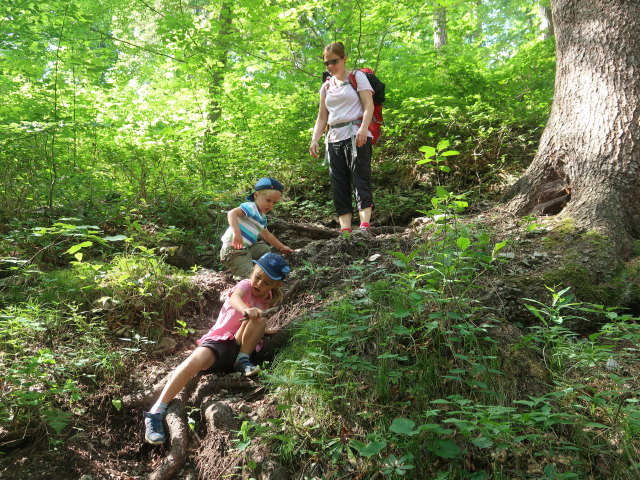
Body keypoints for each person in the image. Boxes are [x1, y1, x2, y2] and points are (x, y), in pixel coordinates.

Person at [143, 252, 291, 445]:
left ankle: (243, 360)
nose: (259, 284)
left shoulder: (271, 299)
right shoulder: (245, 286)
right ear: (252, 271)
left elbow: (254, 323)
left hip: (239, 348)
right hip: (219, 342)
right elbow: (235, 299)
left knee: (260, 318)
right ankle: (156, 412)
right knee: (191, 364)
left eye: (267, 283)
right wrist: (246, 310)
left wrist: (263, 328)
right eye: (257, 277)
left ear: (276, 285)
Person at [309, 42, 375, 236]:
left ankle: (364, 227)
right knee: (339, 183)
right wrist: (315, 139)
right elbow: (322, 117)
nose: (330, 66)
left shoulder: (358, 77)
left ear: (344, 58)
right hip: (334, 138)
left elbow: (368, 105)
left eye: (334, 61)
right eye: (327, 63)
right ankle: (345, 229)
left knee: (360, 178)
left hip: (356, 134)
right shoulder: (326, 85)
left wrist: (363, 129)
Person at [220, 177, 293, 279]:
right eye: (268, 200)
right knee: (248, 277)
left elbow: (267, 235)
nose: (271, 205)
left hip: (247, 249)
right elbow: (232, 213)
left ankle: (260, 271)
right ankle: (246, 277)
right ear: (256, 195)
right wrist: (237, 233)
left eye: (274, 202)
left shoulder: (262, 218)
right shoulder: (251, 207)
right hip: (233, 251)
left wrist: (281, 247)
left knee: (265, 249)